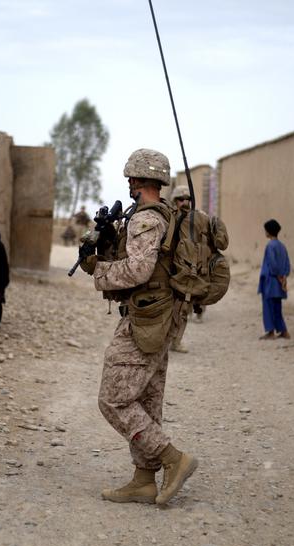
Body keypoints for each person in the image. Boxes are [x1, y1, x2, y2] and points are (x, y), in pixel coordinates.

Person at [79, 149, 198, 506]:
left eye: (131, 177)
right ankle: (144, 479)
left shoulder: (146, 219)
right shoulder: (166, 214)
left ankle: (173, 459)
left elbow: (138, 271)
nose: (128, 183)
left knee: (112, 399)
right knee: (146, 400)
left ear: (139, 180)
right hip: (162, 317)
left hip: (146, 318)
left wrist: (99, 269)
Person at [169, 185, 203, 353]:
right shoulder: (167, 218)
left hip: (187, 271)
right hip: (168, 270)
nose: (184, 203)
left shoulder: (195, 220)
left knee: (183, 310)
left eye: (187, 200)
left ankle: (177, 341)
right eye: (180, 199)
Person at [258, 219, 291, 339]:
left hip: (271, 282)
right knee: (277, 307)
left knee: (268, 306)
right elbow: (287, 264)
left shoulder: (270, 246)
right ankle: (283, 330)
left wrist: (278, 276)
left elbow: (272, 264)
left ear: (269, 231)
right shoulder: (282, 246)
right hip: (280, 282)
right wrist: (284, 278)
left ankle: (271, 331)